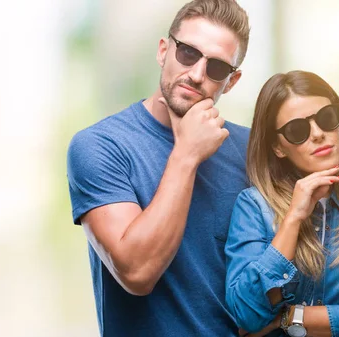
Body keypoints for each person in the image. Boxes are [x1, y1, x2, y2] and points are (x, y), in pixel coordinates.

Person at [66, 1, 251, 336]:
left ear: (232, 81)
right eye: (188, 54)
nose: (196, 74)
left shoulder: (253, 151)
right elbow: (136, 272)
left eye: (217, 68)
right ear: (164, 51)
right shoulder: (100, 146)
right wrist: (186, 154)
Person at [225, 70, 339, 337]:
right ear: (278, 147)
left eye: (326, 118)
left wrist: (288, 318)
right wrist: (293, 219)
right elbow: (246, 314)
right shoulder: (255, 207)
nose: (317, 134)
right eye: (297, 130)